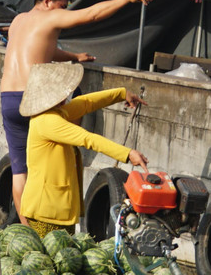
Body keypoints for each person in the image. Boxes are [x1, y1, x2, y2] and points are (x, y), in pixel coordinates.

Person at [0, 0, 154, 221]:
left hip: (8, 98)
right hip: (35, 99)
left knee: (20, 171)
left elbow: (38, 48)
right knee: (53, 161)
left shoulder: (18, 21)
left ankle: (25, 230)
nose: (64, 12)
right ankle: (53, 219)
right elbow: (92, 14)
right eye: (62, 6)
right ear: (48, 1)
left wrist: (73, 56)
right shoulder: (50, 16)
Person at [19, 62, 147, 237]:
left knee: (62, 258)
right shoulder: (47, 122)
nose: (68, 95)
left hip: (57, 209)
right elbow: (88, 139)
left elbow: (85, 103)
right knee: (49, 260)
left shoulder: (57, 113)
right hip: (46, 211)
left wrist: (122, 94)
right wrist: (127, 153)